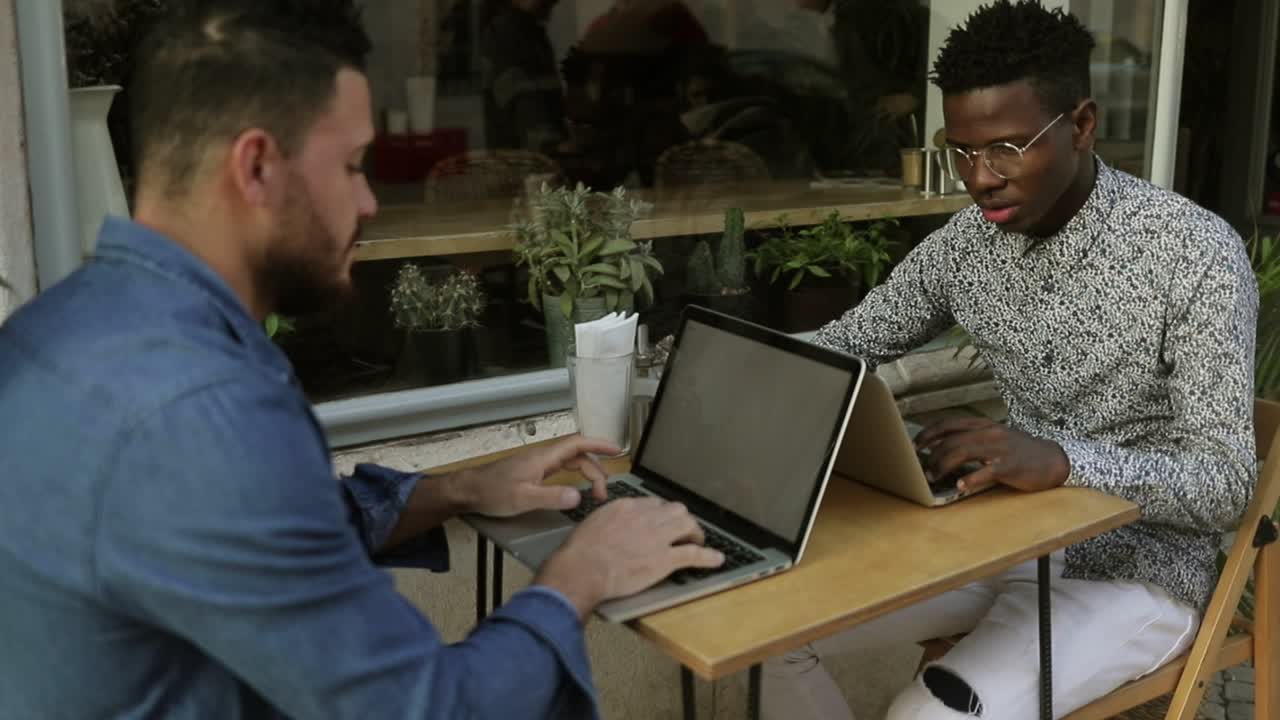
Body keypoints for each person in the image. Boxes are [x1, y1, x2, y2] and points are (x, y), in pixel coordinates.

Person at [0, 2, 722, 718]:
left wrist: (459, 489)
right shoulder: (199, 408)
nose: (370, 200)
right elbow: (431, 710)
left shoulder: (54, 331)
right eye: (350, 166)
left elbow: (257, 536)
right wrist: (581, 575)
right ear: (256, 167)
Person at [764, 1, 1258, 718]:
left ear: (1081, 126)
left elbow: (1226, 485)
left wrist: (1060, 461)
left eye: (1006, 148)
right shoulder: (966, 245)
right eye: (961, 150)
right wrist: (715, 372)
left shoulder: (1194, 253)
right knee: (767, 635)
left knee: (926, 714)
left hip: (1139, 572)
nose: (980, 177)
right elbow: (847, 344)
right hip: (1001, 542)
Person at [479, 0, 570, 154]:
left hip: (532, 159)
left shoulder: (531, 33)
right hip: (523, 162)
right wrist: (553, 146)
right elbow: (526, 105)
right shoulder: (508, 34)